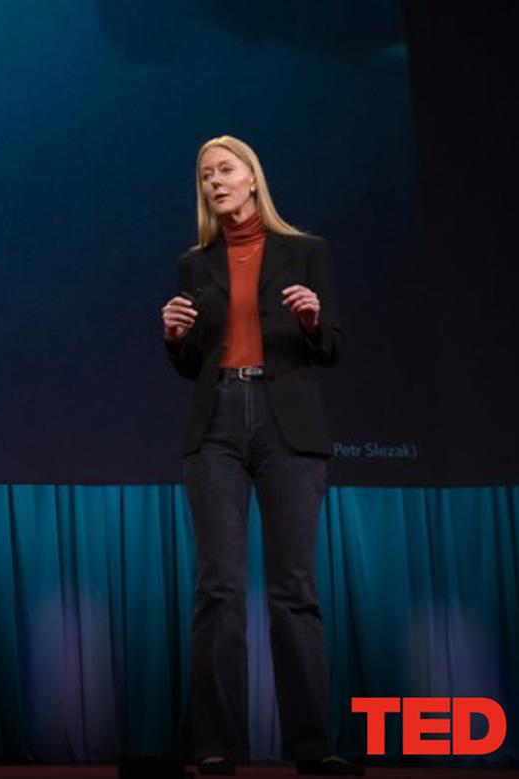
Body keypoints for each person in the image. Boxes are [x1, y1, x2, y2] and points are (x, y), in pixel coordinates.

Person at [160, 136, 360, 776]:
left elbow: (329, 349)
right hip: (216, 420)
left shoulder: (307, 252)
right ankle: (216, 746)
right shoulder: (194, 263)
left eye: (225, 170)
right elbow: (190, 364)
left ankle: (312, 746)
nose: (215, 181)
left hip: (286, 426)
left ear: (252, 180)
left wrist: (310, 320)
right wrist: (174, 336)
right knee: (218, 588)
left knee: (293, 590)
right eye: (205, 174)